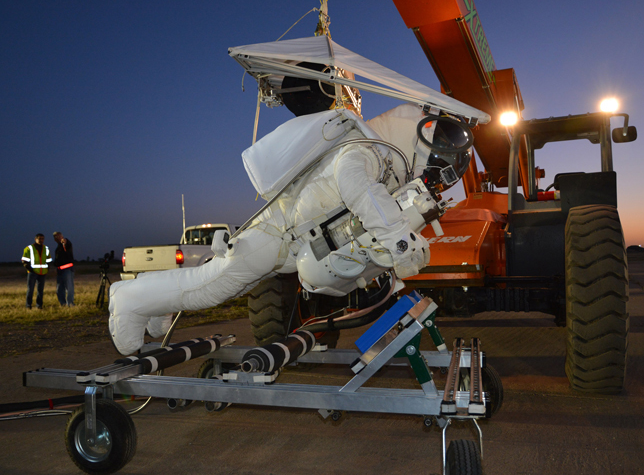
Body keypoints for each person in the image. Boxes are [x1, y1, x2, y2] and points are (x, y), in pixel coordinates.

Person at [108, 103, 467, 355]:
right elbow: (359, 190)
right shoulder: (365, 152)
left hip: (284, 246)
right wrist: (400, 244)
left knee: (211, 283)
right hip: (273, 239)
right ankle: (129, 300)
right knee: (208, 289)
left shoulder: (378, 157)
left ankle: (153, 303)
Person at [22, 233, 52, 309]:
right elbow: (25, 261)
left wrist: (47, 268)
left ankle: (39, 306)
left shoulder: (46, 248)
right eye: (39, 238)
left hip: (43, 272)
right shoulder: (29, 248)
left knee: (40, 290)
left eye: (42, 238)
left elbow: (49, 260)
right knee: (30, 290)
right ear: (35, 239)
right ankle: (28, 306)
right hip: (32, 273)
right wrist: (30, 270)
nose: (41, 240)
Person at [53, 231, 75, 306]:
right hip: (60, 270)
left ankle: (70, 303)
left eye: (59, 236)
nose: (58, 238)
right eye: (56, 237)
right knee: (60, 289)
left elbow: (67, 244)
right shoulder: (58, 248)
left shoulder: (66, 244)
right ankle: (63, 303)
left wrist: (64, 242)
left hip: (67, 269)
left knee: (69, 287)